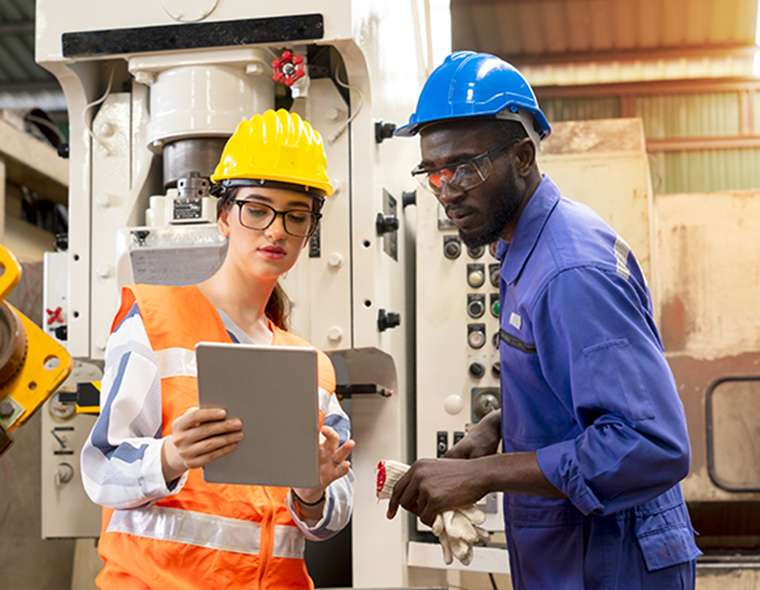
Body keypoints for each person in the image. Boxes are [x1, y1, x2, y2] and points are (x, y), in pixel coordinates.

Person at [387, 51, 700, 589]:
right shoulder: (527, 253)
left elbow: (651, 445)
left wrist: (482, 476)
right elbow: (571, 384)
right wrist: (498, 427)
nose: (447, 191)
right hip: (573, 556)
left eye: (465, 166)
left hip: (614, 563)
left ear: (523, 157)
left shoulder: (569, 271)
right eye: (433, 172)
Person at [81, 109, 355, 589]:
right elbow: (101, 469)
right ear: (225, 216)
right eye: (257, 208)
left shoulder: (313, 369)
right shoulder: (153, 322)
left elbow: (327, 519)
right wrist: (169, 456)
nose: (276, 230)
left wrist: (313, 493)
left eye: (296, 215)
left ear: (309, 229)